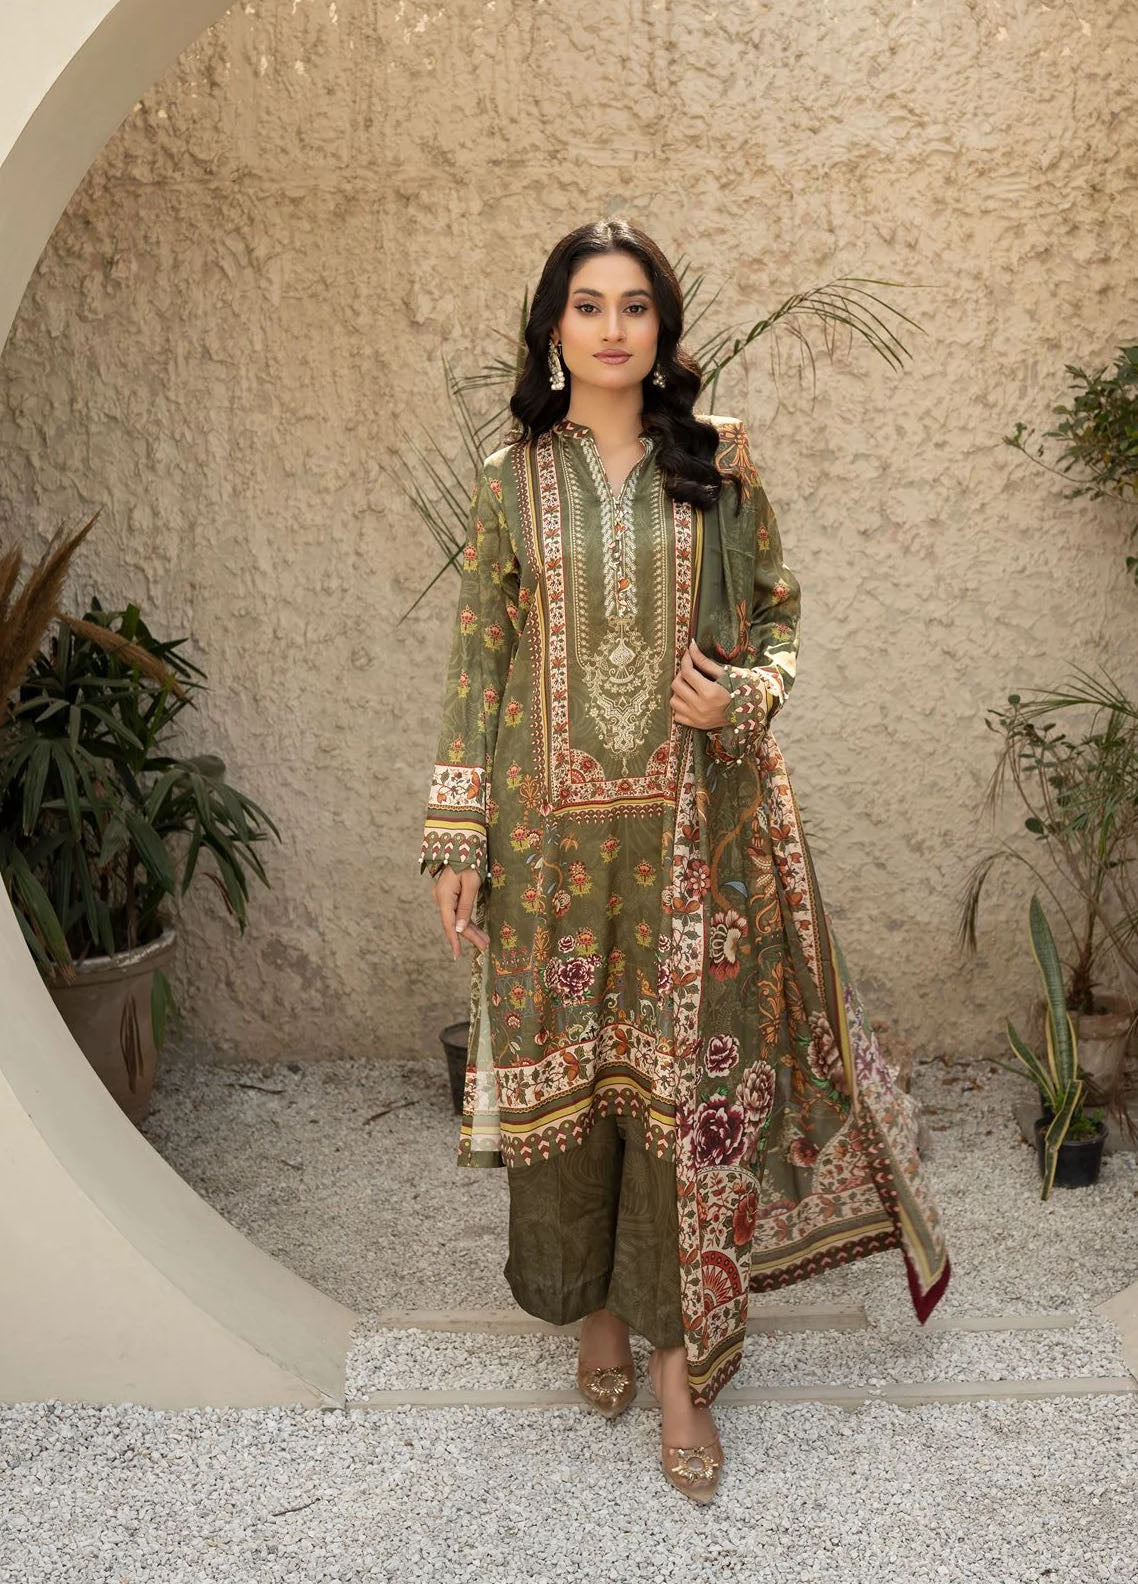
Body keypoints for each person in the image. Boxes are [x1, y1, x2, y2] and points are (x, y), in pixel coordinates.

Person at [420, 218, 951, 1502]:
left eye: (635, 306)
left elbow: (777, 619)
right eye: (588, 305)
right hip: (549, 848)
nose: (612, 328)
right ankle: (597, 1316)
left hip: (687, 843)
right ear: (553, 328)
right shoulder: (509, 478)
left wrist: (741, 697)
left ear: (662, 328)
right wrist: (457, 833)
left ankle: (678, 1368)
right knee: (572, 1089)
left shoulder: (716, 461)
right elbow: (480, 659)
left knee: (676, 1103)